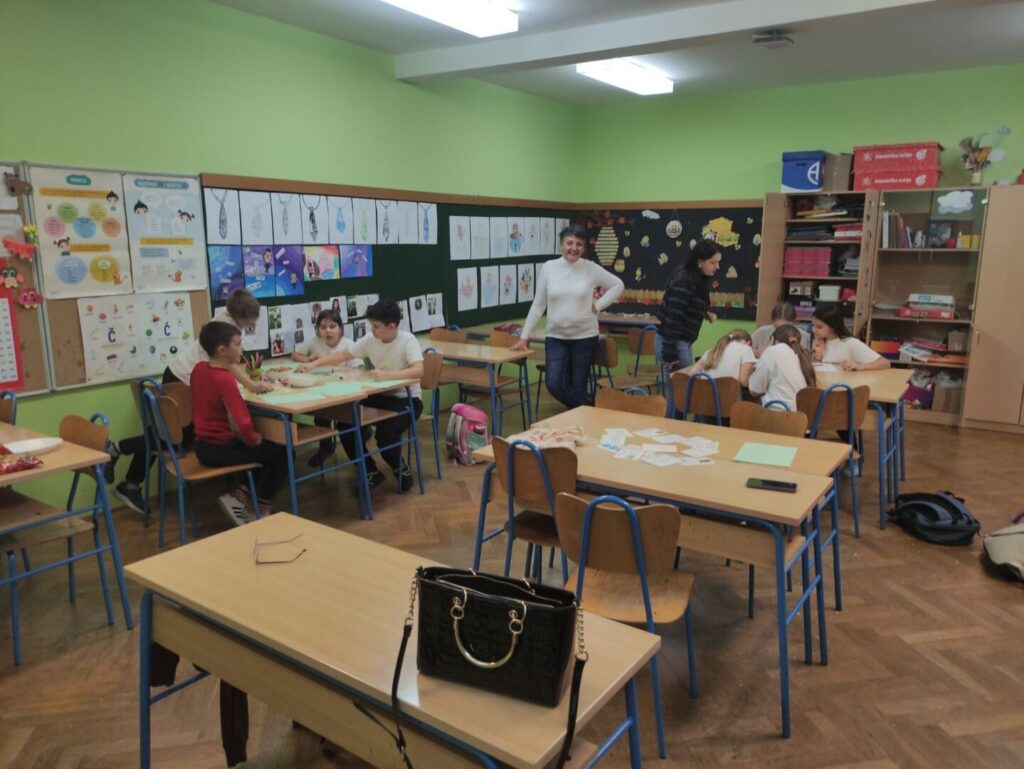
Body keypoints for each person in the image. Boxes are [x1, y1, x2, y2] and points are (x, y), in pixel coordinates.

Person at [108, 289, 272, 513]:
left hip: (180, 374)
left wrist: (248, 385)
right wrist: (251, 385)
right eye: (249, 323)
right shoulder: (226, 328)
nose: (250, 327)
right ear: (239, 317)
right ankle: (118, 451)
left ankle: (129, 479)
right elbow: (230, 364)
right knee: (174, 438)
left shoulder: (225, 317)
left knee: (168, 434)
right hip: (182, 380)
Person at [297, 299, 423, 493]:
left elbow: (418, 371)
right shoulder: (371, 339)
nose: (372, 330)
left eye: (376, 326)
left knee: (385, 435)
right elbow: (343, 355)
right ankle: (370, 471)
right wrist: (312, 364)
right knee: (346, 424)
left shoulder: (407, 340)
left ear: (391, 327)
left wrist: (387, 376)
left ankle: (401, 469)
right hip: (379, 396)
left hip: (407, 399)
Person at [512, 224, 624, 409]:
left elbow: (618, 285)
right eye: (569, 243)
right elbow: (539, 304)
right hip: (556, 337)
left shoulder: (590, 268)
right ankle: (588, 408)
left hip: (585, 337)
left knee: (578, 386)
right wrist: (524, 337)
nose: (574, 248)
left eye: (579, 244)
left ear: (584, 248)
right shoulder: (549, 268)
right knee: (554, 383)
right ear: (561, 245)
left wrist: (598, 305)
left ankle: (579, 418)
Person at [191, 321, 288, 524]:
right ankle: (260, 508)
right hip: (221, 449)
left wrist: (250, 385)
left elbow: (227, 368)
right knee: (282, 453)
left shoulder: (199, 369)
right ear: (222, 350)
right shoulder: (225, 381)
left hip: (202, 446)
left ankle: (240, 496)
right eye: (238, 344)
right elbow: (242, 424)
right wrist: (254, 439)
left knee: (263, 451)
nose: (242, 349)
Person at [292, 308, 364, 467]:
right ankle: (326, 448)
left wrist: (335, 368)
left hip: (345, 392)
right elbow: (295, 354)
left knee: (344, 416)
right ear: (318, 330)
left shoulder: (349, 345)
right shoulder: (314, 342)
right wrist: (307, 359)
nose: (328, 331)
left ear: (340, 328)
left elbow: (357, 372)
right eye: (323, 327)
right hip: (322, 390)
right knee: (320, 415)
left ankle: (363, 431)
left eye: (332, 326)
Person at [655, 239, 721, 374]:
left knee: (685, 383)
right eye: (713, 262)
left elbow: (687, 304)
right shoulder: (684, 281)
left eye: (718, 262)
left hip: (682, 341)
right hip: (672, 343)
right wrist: (671, 357)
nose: (717, 266)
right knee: (681, 384)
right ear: (699, 262)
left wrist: (705, 313)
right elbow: (672, 320)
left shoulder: (697, 278)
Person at [748, 324, 817, 411]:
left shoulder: (772, 351)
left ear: (772, 340)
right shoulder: (801, 357)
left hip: (778, 413)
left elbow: (755, 389)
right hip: (799, 415)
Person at [811, 304, 889, 371]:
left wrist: (860, 366)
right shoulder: (818, 341)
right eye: (813, 325)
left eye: (819, 327)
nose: (813, 330)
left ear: (833, 327)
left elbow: (885, 363)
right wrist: (817, 355)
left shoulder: (850, 343)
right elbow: (815, 371)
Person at [684, 329, 755, 385]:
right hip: (729, 397)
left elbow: (691, 374)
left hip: (704, 395)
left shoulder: (712, 350)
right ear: (748, 342)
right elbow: (744, 382)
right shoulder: (747, 349)